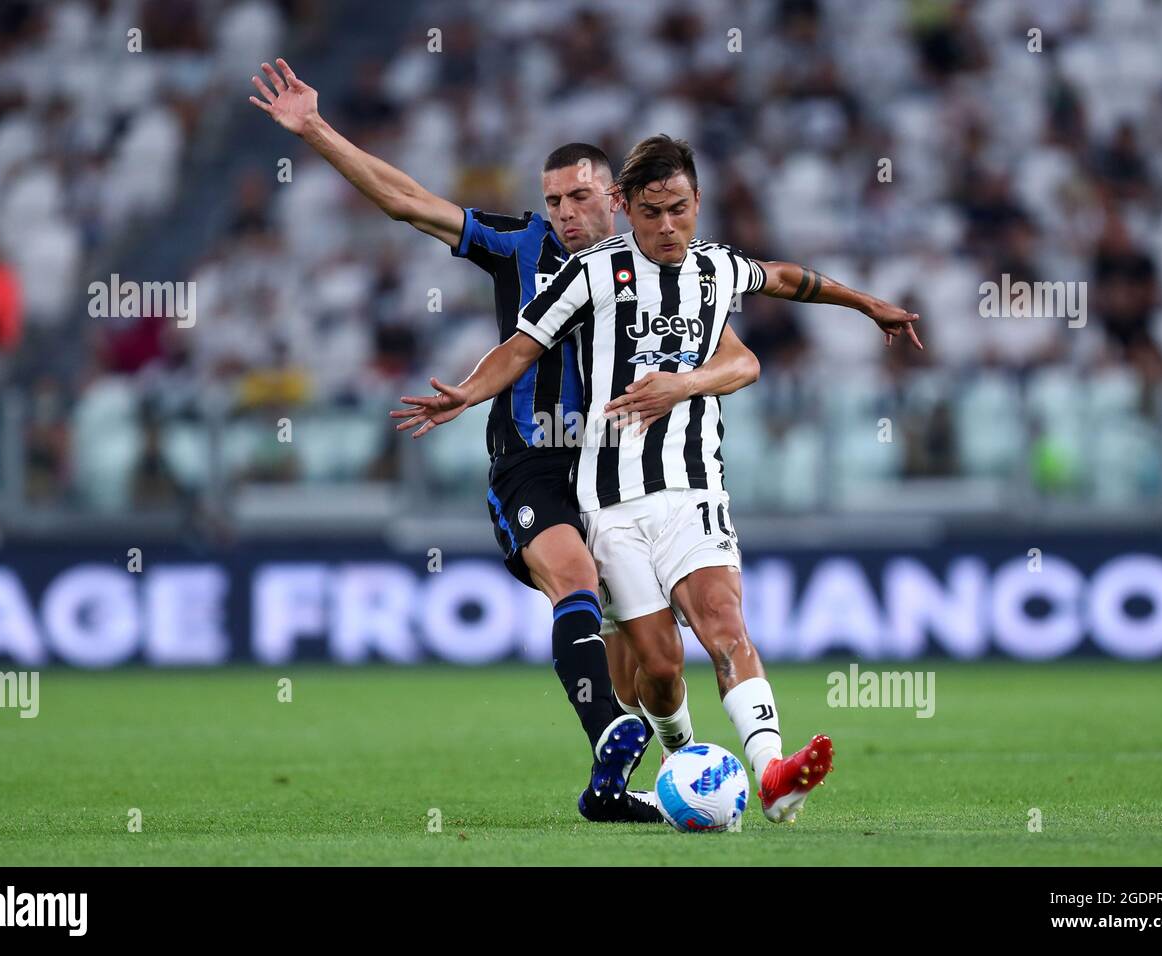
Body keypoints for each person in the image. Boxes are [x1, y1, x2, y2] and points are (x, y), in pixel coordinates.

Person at [250, 60, 761, 822]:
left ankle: (620, 781)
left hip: (619, 476)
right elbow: (410, 204)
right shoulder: (520, 246)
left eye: (580, 197)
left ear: (616, 201)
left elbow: (733, 353)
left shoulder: (664, 267)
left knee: (647, 666)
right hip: (531, 461)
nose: (563, 213)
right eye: (553, 199)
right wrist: (316, 129)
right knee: (574, 579)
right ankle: (613, 738)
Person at [395, 135, 923, 823]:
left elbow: (787, 278)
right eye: (651, 214)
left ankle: (772, 772)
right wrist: (467, 394)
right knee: (660, 666)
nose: (668, 227)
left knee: (725, 621)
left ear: (697, 202)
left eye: (679, 209)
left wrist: (865, 303)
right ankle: (684, 760)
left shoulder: (717, 270)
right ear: (625, 209)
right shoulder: (590, 274)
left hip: (693, 486)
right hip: (608, 501)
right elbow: (523, 344)